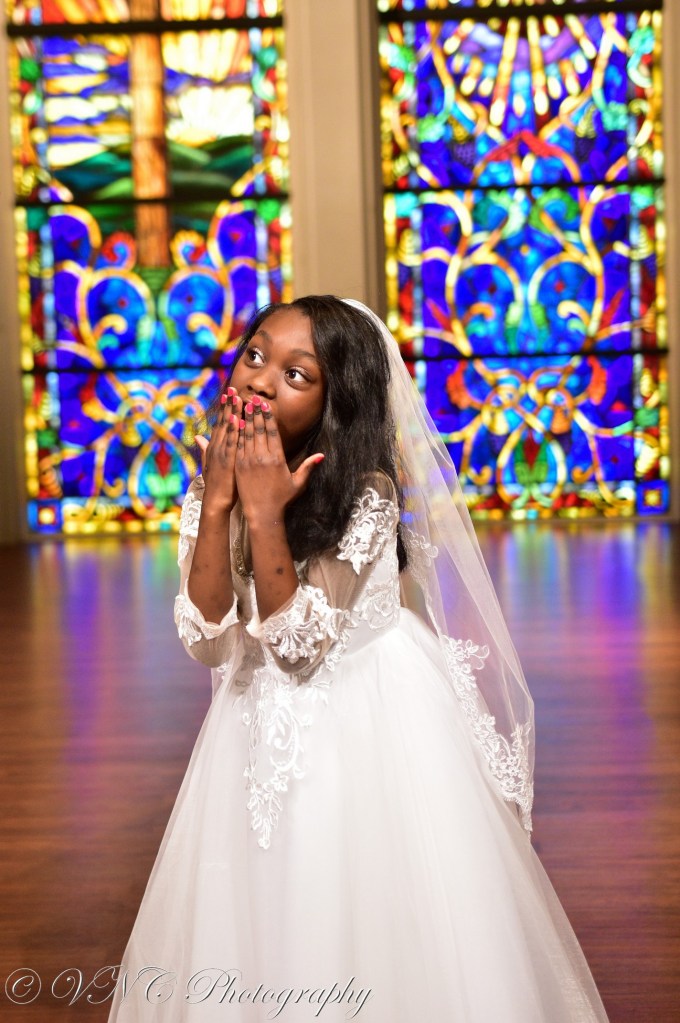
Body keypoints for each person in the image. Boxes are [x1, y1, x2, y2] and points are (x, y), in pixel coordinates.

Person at [107, 296, 610, 1022]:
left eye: (296, 374)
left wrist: (264, 512)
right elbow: (209, 640)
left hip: (368, 719)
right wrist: (217, 504)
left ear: (336, 399)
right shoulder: (212, 480)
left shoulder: (366, 491)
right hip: (252, 726)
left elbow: (298, 647)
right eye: (255, 355)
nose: (260, 379)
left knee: (363, 906)